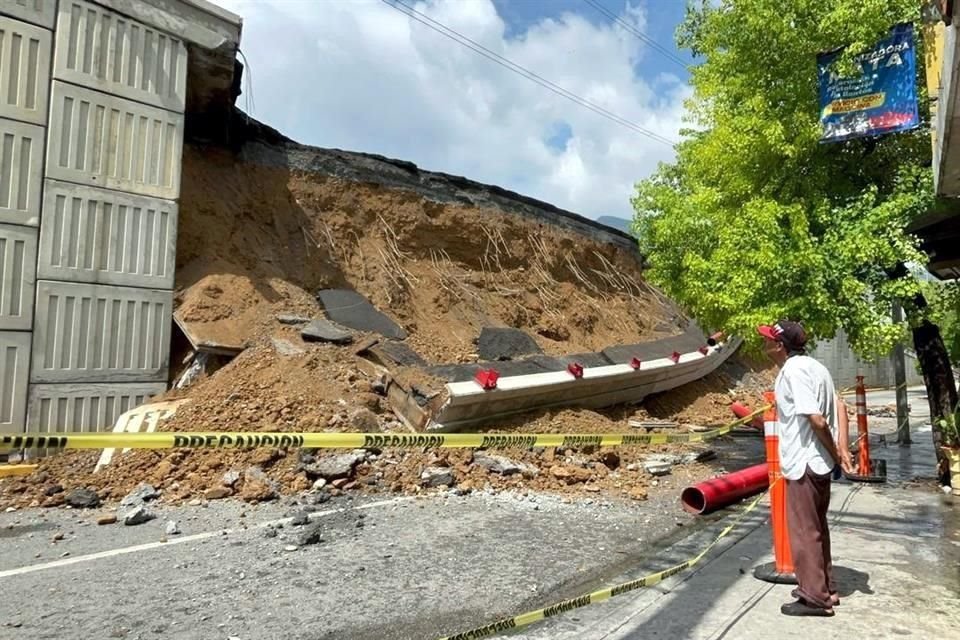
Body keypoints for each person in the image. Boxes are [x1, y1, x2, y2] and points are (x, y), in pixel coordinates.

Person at [757, 319, 854, 617]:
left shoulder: (794, 371)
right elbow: (840, 406)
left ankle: (814, 598)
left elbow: (816, 419)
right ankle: (826, 588)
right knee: (817, 528)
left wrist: (837, 451)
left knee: (803, 531)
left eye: (768, 340)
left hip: (805, 462)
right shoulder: (817, 367)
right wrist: (840, 449)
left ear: (780, 346)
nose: (764, 345)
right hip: (818, 463)